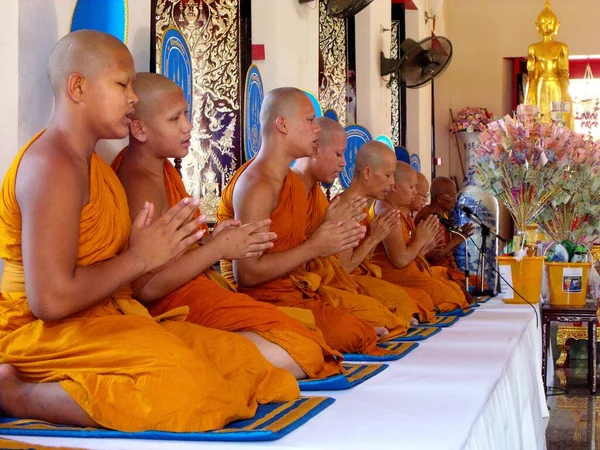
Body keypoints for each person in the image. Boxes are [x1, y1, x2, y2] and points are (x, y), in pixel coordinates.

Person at [0, 30, 298, 432]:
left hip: (102, 315)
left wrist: (172, 250)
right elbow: (50, 301)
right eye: (122, 84)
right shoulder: (51, 165)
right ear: (78, 87)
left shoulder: (92, 167)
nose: (132, 97)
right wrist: (140, 258)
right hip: (43, 331)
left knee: (243, 366)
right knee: (190, 392)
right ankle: (17, 393)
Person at [113, 73, 341, 380]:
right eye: (174, 118)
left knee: (306, 339)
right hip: (171, 308)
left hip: (197, 293)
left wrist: (209, 245)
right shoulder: (139, 182)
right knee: (302, 349)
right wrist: (217, 249)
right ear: (139, 129)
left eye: (186, 115)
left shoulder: (161, 170)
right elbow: (146, 287)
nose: (188, 126)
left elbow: (169, 257)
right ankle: (181, 364)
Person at [217, 88, 409, 354]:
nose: (316, 130)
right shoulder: (257, 185)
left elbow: (304, 258)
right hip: (260, 299)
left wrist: (321, 240)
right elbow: (247, 274)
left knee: (368, 325)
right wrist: (316, 244)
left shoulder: (291, 185)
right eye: (309, 121)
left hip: (296, 291)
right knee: (350, 335)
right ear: (282, 124)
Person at [293, 122, 436, 324]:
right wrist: (373, 238)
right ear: (368, 173)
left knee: (410, 300)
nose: (392, 184)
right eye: (388, 176)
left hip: (352, 281)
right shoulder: (346, 207)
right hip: (330, 284)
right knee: (401, 303)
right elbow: (343, 268)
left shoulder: (358, 207)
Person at [372, 163, 470, 312]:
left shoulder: (399, 213)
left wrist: (424, 246)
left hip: (409, 273)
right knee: (450, 295)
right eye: (412, 187)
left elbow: (410, 255)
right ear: (395, 186)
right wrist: (420, 241)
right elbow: (400, 261)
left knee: (453, 290)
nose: (415, 193)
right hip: (392, 276)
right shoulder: (388, 212)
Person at [415, 176, 476, 290]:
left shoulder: (443, 215)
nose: (455, 200)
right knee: (463, 287)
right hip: (434, 271)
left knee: (476, 282)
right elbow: (432, 257)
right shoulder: (429, 217)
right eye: (452, 195)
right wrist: (456, 241)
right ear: (439, 197)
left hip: (447, 270)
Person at [525, 0, 573, 127]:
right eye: (543, 23)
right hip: (541, 85)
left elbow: (563, 73)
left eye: (550, 23)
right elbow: (532, 76)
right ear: (538, 26)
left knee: (557, 117)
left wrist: (566, 95)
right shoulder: (533, 48)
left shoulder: (562, 47)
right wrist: (530, 98)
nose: (547, 26)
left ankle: (559, 138)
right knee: (542, 115)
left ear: (557, 25)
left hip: (556, 85)